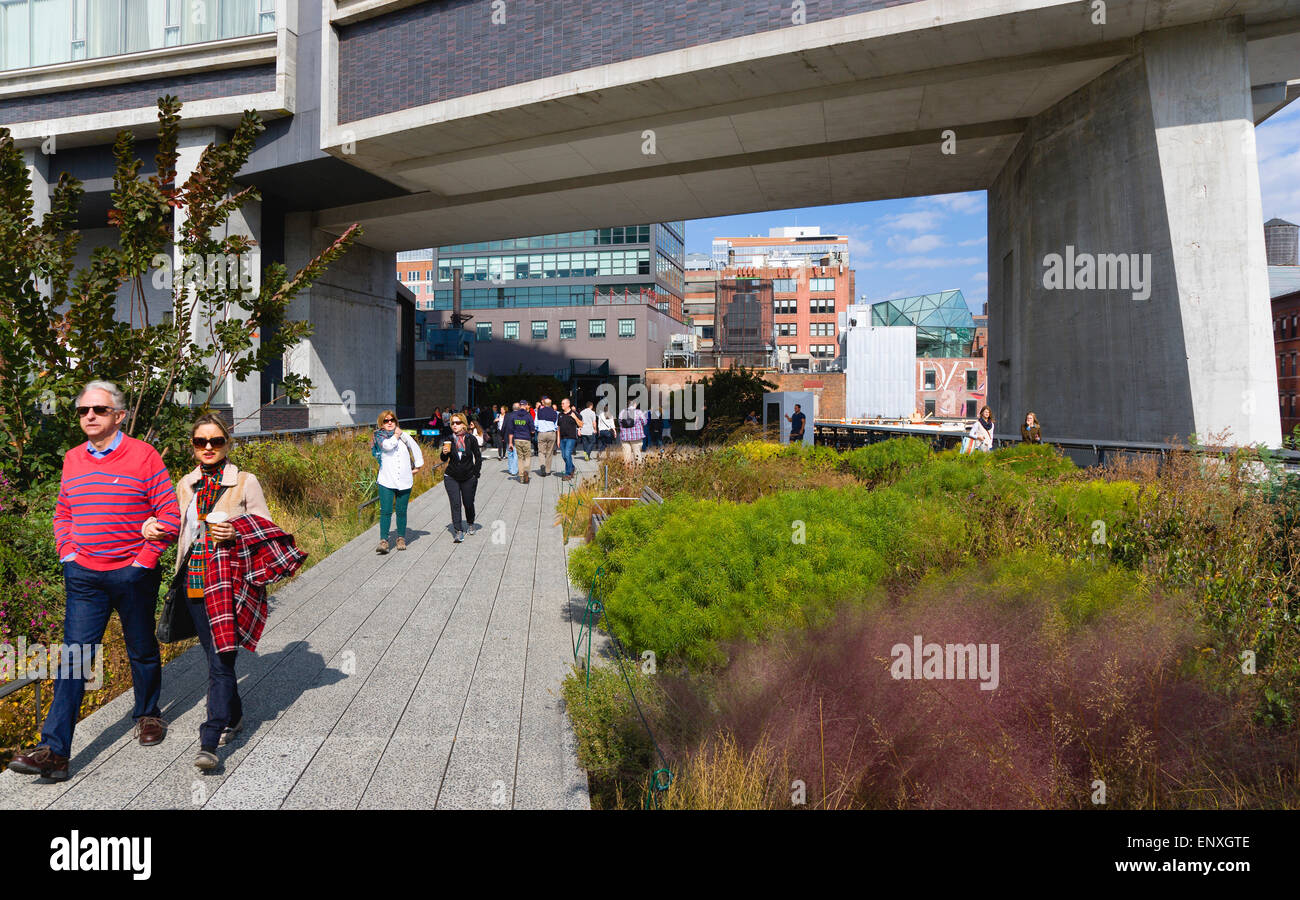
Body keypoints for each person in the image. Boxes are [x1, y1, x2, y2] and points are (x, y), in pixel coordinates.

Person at [8, 381, 181, 782]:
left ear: (119, 416)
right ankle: (54, 751)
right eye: (83, 410)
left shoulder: (144, 456)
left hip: (133, 573)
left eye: (99, 410)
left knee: (140, 647)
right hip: (84, 575)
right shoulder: (72, 459)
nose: (89, 416)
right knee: (74, 658)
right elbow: (63, 513)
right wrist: (67, 553)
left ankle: (148, 714)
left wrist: (143, 561)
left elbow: (170, 519)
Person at [141, 412, 272, 770]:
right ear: (193, 447)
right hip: (193, 584)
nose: (209, 448)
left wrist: (237, 531)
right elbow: (173, 528)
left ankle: (210, 739)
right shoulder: (186, 484)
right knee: (216, 657)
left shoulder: (245, 482)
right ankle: (236, 715)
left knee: (220, 660)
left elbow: (267, 527)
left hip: (228, 583)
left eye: (216, 441)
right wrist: (150, 526)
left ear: (227, 443)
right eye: (202, 442)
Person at [374, 409, 424, 553]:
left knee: (402, 511)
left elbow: (415, 447)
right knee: (386, 511)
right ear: (381, 423)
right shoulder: (379, 436)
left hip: (404, 479)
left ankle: (401, 538)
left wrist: (418, 465)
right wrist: (396, 434)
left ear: (396, 421)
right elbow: (388, 446)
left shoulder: (404, 436)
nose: (389, 423)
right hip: (386, 480)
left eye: (392, 420)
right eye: (386, 421)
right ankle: (384, 540)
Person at [441, 413, 482, 542]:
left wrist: (476, 473)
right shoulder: (449, 439)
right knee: (455, 503)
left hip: (469, 476)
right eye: (452, 423)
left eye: (457, 423)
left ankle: (470, 522)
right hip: (451, 476)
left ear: (463, 424)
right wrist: (444, 453)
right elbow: (443, 459)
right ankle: (458, 530)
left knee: (468, 503)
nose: (454, 425)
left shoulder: (471, 439)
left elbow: (478, 457)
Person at [506, 399, 536, 483]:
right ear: (526, 405)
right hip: (526, 439)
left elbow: (510, 431)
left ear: (519, 406)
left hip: (517, 439)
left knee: (520, 458)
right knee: (527, 457)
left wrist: (511, 443)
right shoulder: (528, 416)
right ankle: (526, 470)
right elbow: (532, 430)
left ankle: (521, 477)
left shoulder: (514, 416)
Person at [534, 396, 559, 476]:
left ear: (543, 403)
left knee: (541, 451)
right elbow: (556, 425)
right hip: (551, 434)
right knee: (549, 452)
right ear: (551, 404)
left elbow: (536, 424)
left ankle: (542, 465)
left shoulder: (539, 412)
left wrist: (538, 428)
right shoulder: (555, 413)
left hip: (542, 433)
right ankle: (548, 470)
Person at [557, 397, 581, 480]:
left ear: (568, 404)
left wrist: (575, 417)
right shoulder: (560, 414)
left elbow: (581, 424)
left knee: (567, 454)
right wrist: (558, 439)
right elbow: (558, 428)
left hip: (571, 438)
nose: (562, 405)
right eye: (561, 403)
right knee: (564, 456)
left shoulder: (574, 413)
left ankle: (568, 474)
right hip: (562, 438)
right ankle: (572, 467)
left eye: (563, 403)